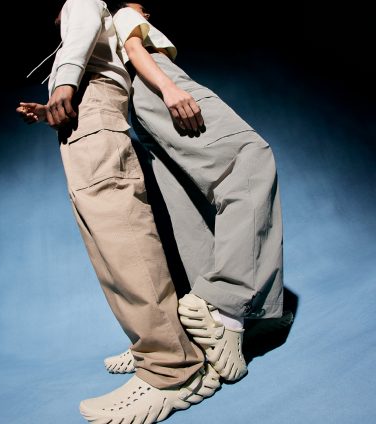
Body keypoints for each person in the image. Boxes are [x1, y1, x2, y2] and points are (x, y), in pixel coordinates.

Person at [17, 0, 220, 423]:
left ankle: (174, 369)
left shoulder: (80, 3)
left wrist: (63, 85)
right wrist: (53, 108)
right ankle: (164, 343)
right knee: (112, 245)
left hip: (94, 116)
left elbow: (81, 35)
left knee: (122, 242)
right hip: (87, 118)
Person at [104, 1, 285, 382]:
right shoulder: (123, 15)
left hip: (138, 104)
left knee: (186, 209)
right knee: (251, 158)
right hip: (156, 83)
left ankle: (176, 338)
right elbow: (135, 48)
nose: (147, 12)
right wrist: (170, 88)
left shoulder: (103, 36)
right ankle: (225, 312)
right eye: (142, 7)